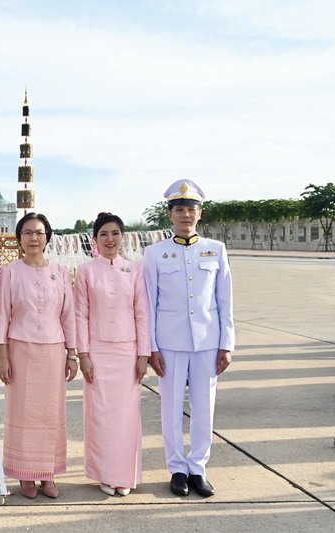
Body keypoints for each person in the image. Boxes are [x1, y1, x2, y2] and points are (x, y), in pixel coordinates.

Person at [142, 179, 234, 498]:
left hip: (208, 342)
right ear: (169, 215)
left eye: (190, 209)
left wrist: (227, 344)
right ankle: (177, 468)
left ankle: (198, 467)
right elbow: (148, 305)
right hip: (169, 343)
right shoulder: (155, 254)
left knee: (204, 407)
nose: (185, 215)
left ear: (200, 213)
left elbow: (225, 301)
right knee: (170, 407)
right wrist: (151, 346)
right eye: (179, 209)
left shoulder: (216, 250)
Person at [0, 212, 78, 499]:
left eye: (39, 233)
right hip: (20, 349)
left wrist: (72, 354)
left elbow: (68, 315)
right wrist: (3, 356)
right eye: (27, 233)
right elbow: (3, 315)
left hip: (53, 350)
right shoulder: (10, 272)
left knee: (49, 415)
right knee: (23, 413)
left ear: (47, 238)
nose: (33, 238)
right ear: (19, 239)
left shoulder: (61, 271)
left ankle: (48, 473)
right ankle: (25, 475)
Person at [74, 212, 150, 497]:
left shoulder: (134, 270)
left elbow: (142, 314)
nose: (110, 239)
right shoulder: (85, 271)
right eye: (103, 234)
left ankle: (125, 476)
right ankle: (105, 475)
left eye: (115, 233)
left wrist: (143, 353)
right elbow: (80, 315)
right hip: (98, 352)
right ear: (95, 239)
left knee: (127, 418)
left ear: (123, 237)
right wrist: (83, 354)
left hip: (128, 352)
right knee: (101, 417)